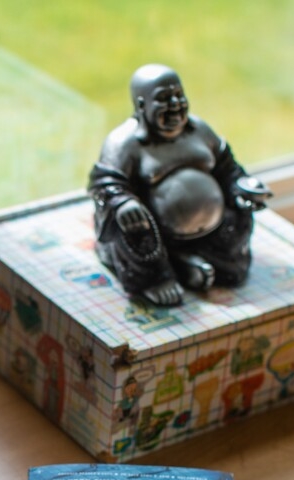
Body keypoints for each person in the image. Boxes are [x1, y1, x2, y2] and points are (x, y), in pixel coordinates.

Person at [88, 64, 269, 306]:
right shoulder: (124, 143)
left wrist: (243, 185)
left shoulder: (200, 130)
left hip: (210, 228)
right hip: (155, 231)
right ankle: (157, 277)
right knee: (133, 225)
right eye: (163, 99)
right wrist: (123, 203)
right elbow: (105, 182)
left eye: (178, 96)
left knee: (238, 214)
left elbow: (227, 168)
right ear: (141, 106)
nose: (174, 104)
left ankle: (194, 261)